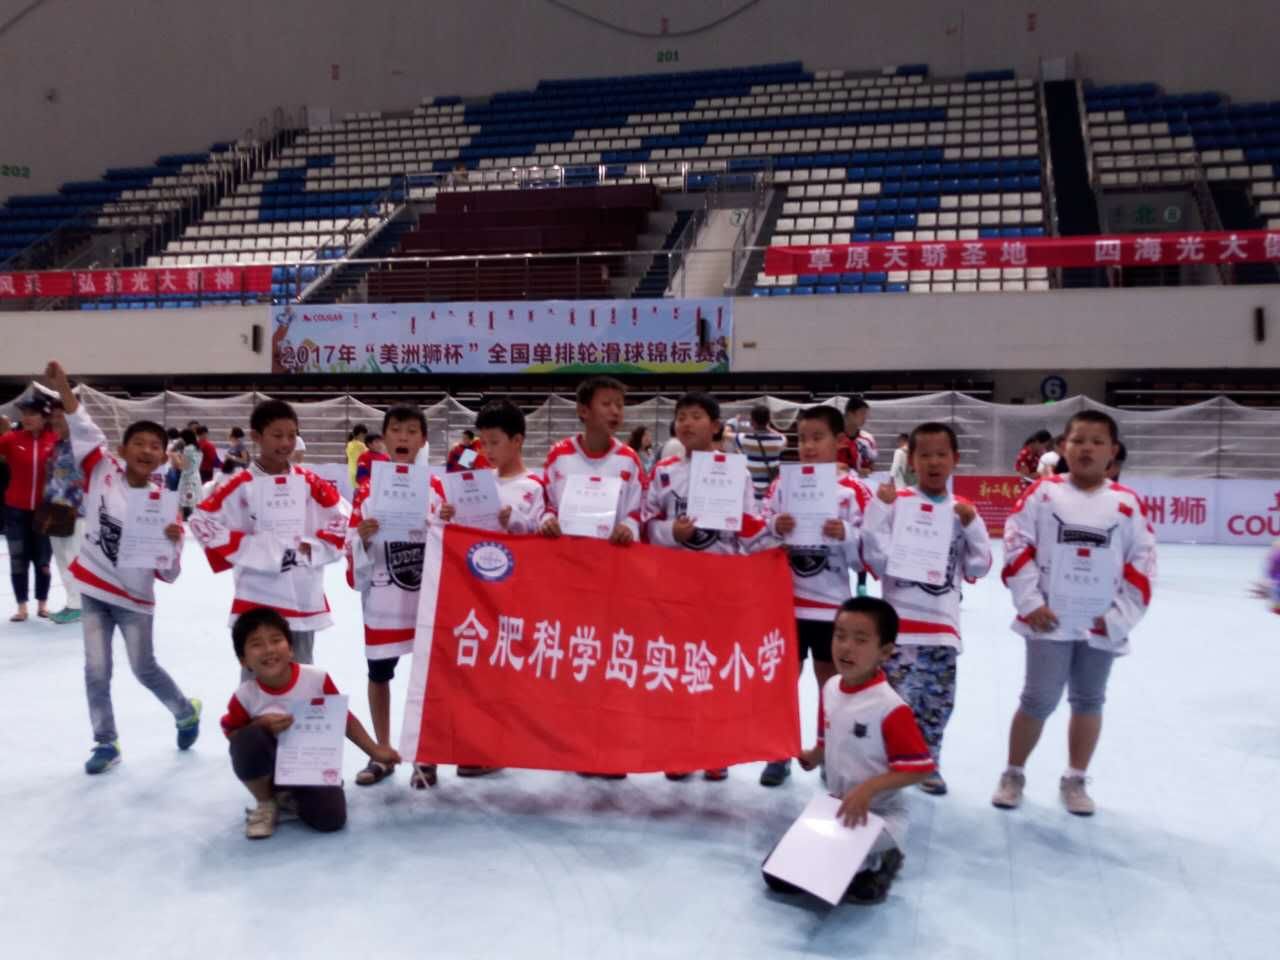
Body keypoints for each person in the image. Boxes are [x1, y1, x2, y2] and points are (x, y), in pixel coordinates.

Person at [993, 410, 1157, 816]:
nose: (1087, 448)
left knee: (1089, 699)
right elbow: (1016, 544)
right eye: (1078, 440)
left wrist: (1118, 618)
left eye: (1097, 442)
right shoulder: (1043, 494)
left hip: (1100, 623)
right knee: (1037, 699)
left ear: (1112, 451)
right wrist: (1031, 604)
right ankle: (1013, 773)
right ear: (1063, 447)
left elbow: (1143, 563)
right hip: (1048, 618)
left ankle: (1076, 778)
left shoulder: (1127, 503)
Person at [44, 361, 200, 775]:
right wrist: (63, 386)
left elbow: (169, 574)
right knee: (96, 670)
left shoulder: (164, 507)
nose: (147, 450)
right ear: (123, 448)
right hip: (95, 590)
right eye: (140, 443)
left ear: (163, 456)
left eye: (155, 446)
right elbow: (81, 421)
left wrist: (173, 541)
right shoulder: (101, 468)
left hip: (135, 600)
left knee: (143, 668)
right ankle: (105, 741)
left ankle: (185, 711)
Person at [765, 597, 935, 905]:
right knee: (776, 876)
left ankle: (884, 858)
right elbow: (826, 739)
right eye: (840, 636)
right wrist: (812, 755)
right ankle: (857, 859)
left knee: (854, 890)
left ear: (885, 651)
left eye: (860, 639)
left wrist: (868, 789)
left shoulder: (890, 708)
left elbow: (920, 769)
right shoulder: (831, 688)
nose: (846, 647)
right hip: (839, 809)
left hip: (881, 817)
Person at [861, 423, 992, 795]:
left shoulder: (962, 511)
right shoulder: (897, 502)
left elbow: (979, 566)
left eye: (941, 454)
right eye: (925, 455)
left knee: (937, 703)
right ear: (911, 461)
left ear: (955, 459)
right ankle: (885, 764)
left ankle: (926, 764)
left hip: (942, 629)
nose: (934, 462)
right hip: (900, 627)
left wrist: (973, 525)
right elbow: (874, 555)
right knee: (893, 702)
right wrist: (880, 508)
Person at [645, 391, 767, 782]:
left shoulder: (736, 472)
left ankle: (717, 750)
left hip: (720, 584)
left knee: (716, 669)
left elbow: (749, 527)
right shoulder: (664, 470)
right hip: (675, 585)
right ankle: (678, 749)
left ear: (715, 426)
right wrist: (671, 531)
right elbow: (646, 525)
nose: (686, 423)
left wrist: (775, 536)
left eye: (696, 416)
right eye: (681, 416)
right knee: (678, 667)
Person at [758, 404, 871, 787]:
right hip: (785, 603)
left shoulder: (852, 491)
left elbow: (867, 556)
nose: (808, 446)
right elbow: (757, 535)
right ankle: (778, 751)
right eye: (802, 439)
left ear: (838, 441)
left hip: (830, 606)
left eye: (817, 438)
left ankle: (828, 752)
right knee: (782, 682)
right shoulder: (781, 486)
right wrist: (776, 527)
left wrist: (846, 535)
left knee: (831, 684)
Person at [192, 399, 349, 669]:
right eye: (277, 435)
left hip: (302, 592)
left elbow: (344, 519)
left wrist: (314, 548)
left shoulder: (310, 482)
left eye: (292, 435)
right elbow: (201, 521)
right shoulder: (240, 484)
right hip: (258, 593)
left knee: (302, 672)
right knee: (256, 674)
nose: (286, 442)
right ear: (256, 436)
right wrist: (253, 549)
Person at [221, 607, 400, 839]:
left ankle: (292, 796)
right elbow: (234, 737)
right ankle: (266, 802)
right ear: (243, 660)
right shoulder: (245, 696)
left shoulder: (316, 679)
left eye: (276, 640)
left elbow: (342, 718)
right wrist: (260, 725)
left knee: (331, 819)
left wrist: (374, 750)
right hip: (270, 767)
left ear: (291, 649)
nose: (269, 649)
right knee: (249, 737)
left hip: (310, 765)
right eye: (257, 644)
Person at [346, 404, 442, 790]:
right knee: (379, 674)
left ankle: (427, 754)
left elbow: (452, 543)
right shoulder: (367, 491)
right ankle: (382, 751)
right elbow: (350, 545)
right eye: (396, 430)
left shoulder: (436, 490)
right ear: (384, 438)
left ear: (423, 440)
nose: (403, 437)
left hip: (425, 601)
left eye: (412, 431)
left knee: (428, 678)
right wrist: (363, 538)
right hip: (384, 601)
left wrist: (443, 523)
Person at [540, 376, 646, 548]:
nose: (615, 411)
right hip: (566, 552)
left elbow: (640, 510)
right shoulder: (558, 455)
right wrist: (548, 520)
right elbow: (546, 504)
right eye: (606, 404)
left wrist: (629, 527)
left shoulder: (630, 459)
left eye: (619, 405)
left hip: (613, 554)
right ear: (583, 411)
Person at [0, 394, 58, 621]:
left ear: (45, 417)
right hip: (15, 510)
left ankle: (43, 604)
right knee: (18, 559)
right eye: (24, 414)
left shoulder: (55, 440)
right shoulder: (11, 439)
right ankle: (21, 607)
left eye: (32, 414)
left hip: (45, 512)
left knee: (43, 560)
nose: (26, 418)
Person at [41, 400, 86, 624]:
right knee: (61, 559)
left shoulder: (84, 444)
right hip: (55, 509)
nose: (55, 420)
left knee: (74, 558)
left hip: (77, 512)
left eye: (61, 416)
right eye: (53, 416)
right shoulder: (57, 445)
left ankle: (80, 605)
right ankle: (72, 603)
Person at [474, 400, 548, 535]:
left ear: (517, 440)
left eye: (494, 442)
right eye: (483, 443)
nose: (487, 450)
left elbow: (541, 536)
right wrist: (448, 514)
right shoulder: (480, 482)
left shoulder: (536, 487)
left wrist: (517, 522)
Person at [732, 404, 786, 500]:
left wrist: (733, 421)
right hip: (770, 496)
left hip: (751, 496)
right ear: (768, 420)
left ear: (752, 421)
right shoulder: (779, 440)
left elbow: (725, 434)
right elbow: (784, 437)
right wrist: (767, 426)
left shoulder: (744, 438)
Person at [838, 397, 877, 479]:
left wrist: (868, 470)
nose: (865, 417)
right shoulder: (833, 438)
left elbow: (872, 465)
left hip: (861, 482)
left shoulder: (868, 439)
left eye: (866, 414)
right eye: (862, 413)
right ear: (850, 414)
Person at [177, 428, 203, 520]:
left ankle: (185, 519)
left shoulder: (187, 449)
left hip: (187, 478)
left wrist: (177, 458)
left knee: (186, 502)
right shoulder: (198, 449)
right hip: (196, 476)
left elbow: (183, 466)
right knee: (193, 501)